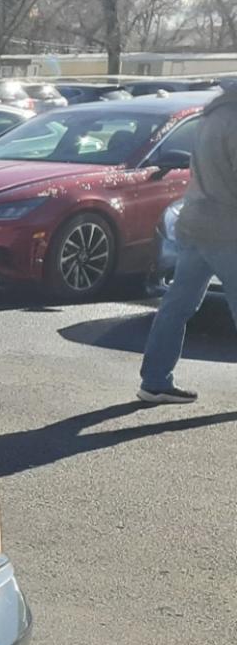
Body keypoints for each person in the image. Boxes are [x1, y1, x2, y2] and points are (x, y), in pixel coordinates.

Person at [139, 82, 237, 404]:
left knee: (177, 305)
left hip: (195, 222)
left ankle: (154, 381)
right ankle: (155, 381)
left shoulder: (211, 116)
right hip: (226, 229)